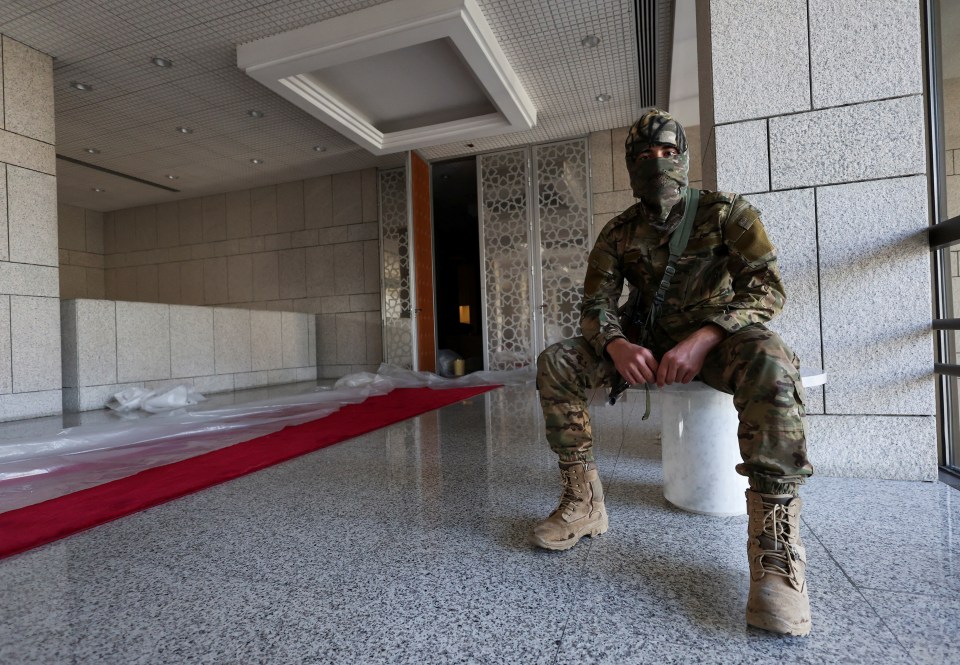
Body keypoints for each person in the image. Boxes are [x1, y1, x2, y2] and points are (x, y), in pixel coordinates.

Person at [531, 109, 814, 636]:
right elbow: (595, 304)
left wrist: (706, 336)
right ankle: (583, 500)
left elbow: (767, 290)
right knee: (557, 360)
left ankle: (775, 550)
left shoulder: (726, 212)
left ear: (683, 157)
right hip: (642, 343)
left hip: (717, 342)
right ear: (630, 168)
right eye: (643, 157)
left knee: (771, 358)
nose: (656, 165)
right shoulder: (619, 231)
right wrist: (615, 343)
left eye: (666, 153)